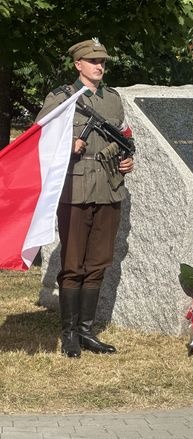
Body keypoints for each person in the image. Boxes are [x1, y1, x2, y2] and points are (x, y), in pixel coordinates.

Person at [36, 38, 135, 357]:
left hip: (109, 187)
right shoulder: (61, 98)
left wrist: (127, 160)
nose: (100, 66)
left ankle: (87, 331)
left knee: (97, 263)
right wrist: (66, 148)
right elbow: (39, 141)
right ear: (78, 64)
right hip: (74, 188)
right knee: (73, 262)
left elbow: (122, 139)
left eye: (103, 62)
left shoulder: (113, 100)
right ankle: (69, 334)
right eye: (93, 61)